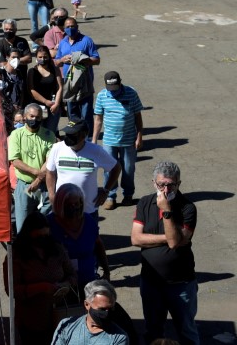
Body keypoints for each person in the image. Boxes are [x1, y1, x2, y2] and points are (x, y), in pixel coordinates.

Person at [131, 162, 198, 345]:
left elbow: (175, 242)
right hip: (151, 282)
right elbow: (136, 239)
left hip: (181, 284)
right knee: (153, 332)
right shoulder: (145, 202)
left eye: (171, 184)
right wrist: (168, 237)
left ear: (179, 183)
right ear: (154, 183)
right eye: (162, 184)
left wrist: (167, 211)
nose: (166, 189)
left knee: (187, 331)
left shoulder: (187, 208)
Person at [6, 212, 76, 345]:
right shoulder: (16, 256)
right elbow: (12, 290)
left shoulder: (57, 248)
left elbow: (72, 274)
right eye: (39, 236)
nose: (43, 240)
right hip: (31, 320)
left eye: (46, 235)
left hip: (60, 314)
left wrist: (66, 285)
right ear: (28, 234)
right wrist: (41, 288)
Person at [46, 118, 122, 216]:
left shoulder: (96, 151)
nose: (68, 137)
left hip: (88, 210)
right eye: (67, 134)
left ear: (83, 135)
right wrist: (52, 195)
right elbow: (50, 172)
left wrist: (106, 190)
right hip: (63, 208)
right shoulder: (57, 148)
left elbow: (116, 168)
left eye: (72, 135)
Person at [92, 71, 144, 210]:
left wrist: (139, 135)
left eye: (115, 87)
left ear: (120, 82)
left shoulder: (131, 93)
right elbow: (98, 119)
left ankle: (128, 195)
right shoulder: (102, 96)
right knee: (109, 169)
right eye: (111, 88)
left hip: (128, 140)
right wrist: (94, 139)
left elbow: (137, 116)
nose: (113, 91)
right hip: (109, 140)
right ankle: (110, 196)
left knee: (128, 169)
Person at [48, 183, 110, 291]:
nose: (74, 208)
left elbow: (99, 246)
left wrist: (106, 271)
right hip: (61, 286)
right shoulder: (49, 224)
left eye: (77, 204)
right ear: (60, 204)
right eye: (69, 205)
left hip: (88, 282)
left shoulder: (89, 222)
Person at [8, 103, 55, 232]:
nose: (34, 119)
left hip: (44, 185)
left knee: (45, 224)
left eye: (38, 117)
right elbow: (15, 160)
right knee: (22, 227)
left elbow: (50, 160)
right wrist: (36, 172)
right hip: (24, 186)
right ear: (25, 117)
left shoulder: (48, 135)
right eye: (32, 116)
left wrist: (38, 179)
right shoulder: (16, 135)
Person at [54, 17, 100, 131]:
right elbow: (56, 61)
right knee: (72, 112)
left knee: (86, 112)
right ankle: (75, 135)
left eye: (73, 26)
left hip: (84, 82)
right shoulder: (63, 43)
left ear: (77, 27)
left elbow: (97, 60)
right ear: (64, 29)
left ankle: (88, 138)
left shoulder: (86, 40)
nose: (71, 28)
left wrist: (83, 59)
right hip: (69, 82)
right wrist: (62, 60)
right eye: (68, 27)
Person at [51, 280, 129, 344]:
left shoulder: (119, 338)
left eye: (110, 308)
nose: (107, 313)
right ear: (87, 305)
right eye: (102, 309)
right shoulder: (67, 326)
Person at [27, 45, 63, 134]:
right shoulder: (32, 71)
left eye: (45, 57)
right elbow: (32, 90)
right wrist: (45, 101)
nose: (42, 59)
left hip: (53, 107)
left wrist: (56, 104)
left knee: (50, 132)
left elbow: (60, 87)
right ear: (36, 57)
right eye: (40, 57)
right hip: (38, 107)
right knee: (38, 132)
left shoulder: (55, 70)